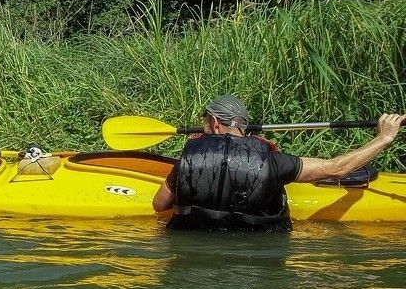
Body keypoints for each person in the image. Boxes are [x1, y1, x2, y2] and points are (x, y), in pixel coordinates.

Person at [152, 94, 405, 231]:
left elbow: (159, 204)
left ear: (216, 123)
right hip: (258, 251)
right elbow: (336, 167)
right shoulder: (274, 162)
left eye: (205, 121)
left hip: (195, 250)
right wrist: (383, 139)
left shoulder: (190, 156)